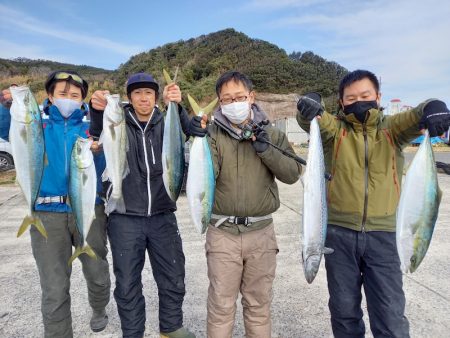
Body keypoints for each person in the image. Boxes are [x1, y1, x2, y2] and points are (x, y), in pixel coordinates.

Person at [296, 69, 450, 338]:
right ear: (342, 102)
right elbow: (314, 120)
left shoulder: (393, 130)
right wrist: (307, 107)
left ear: (378, 96)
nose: (359, 101)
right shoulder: (336, 131)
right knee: (344, 314)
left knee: (390, 314)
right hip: (338, 235)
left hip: (386, 237)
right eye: (351, 97)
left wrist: (434, 107)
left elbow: (418, 115)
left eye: (365, 95)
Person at [189, 71, 302, 338]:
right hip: (222, 233)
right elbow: (206, 175)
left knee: (258, 305)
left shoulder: (273, 134)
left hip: (261, 234)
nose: (234, 103)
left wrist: (266, 150)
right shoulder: (213, 135)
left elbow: (292, 174)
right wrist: (197, 137)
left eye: (239, 97)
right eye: (227, 99)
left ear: (252, 97)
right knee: (220, 305)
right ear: (219, 103)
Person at [2, 71, 111, 337]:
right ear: (49, 96)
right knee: (54, 286)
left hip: (88, 207)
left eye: (75, 95)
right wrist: (7, 105)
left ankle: (99, 307)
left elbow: (107, 167)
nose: (68, 99)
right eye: (62, 94)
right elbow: (8, 127)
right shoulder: (36, 123)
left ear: (83, 99)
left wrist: (99, 147)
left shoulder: (91, 125)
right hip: (46, 212)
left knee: (98, 272)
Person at [89, 72, 195, 338]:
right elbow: (95, 130)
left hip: (162, 214)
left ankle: (170, 328)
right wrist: (96, 108)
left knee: (173, 275)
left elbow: (193, 130)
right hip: (124, 216)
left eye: (149, 92)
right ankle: (133, 333)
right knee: (126, 283)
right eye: (137, 93)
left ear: (156, 96)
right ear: (129, 97)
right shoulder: (118, 121)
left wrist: (178, 106)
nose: (143, 98)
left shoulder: (165, 120)